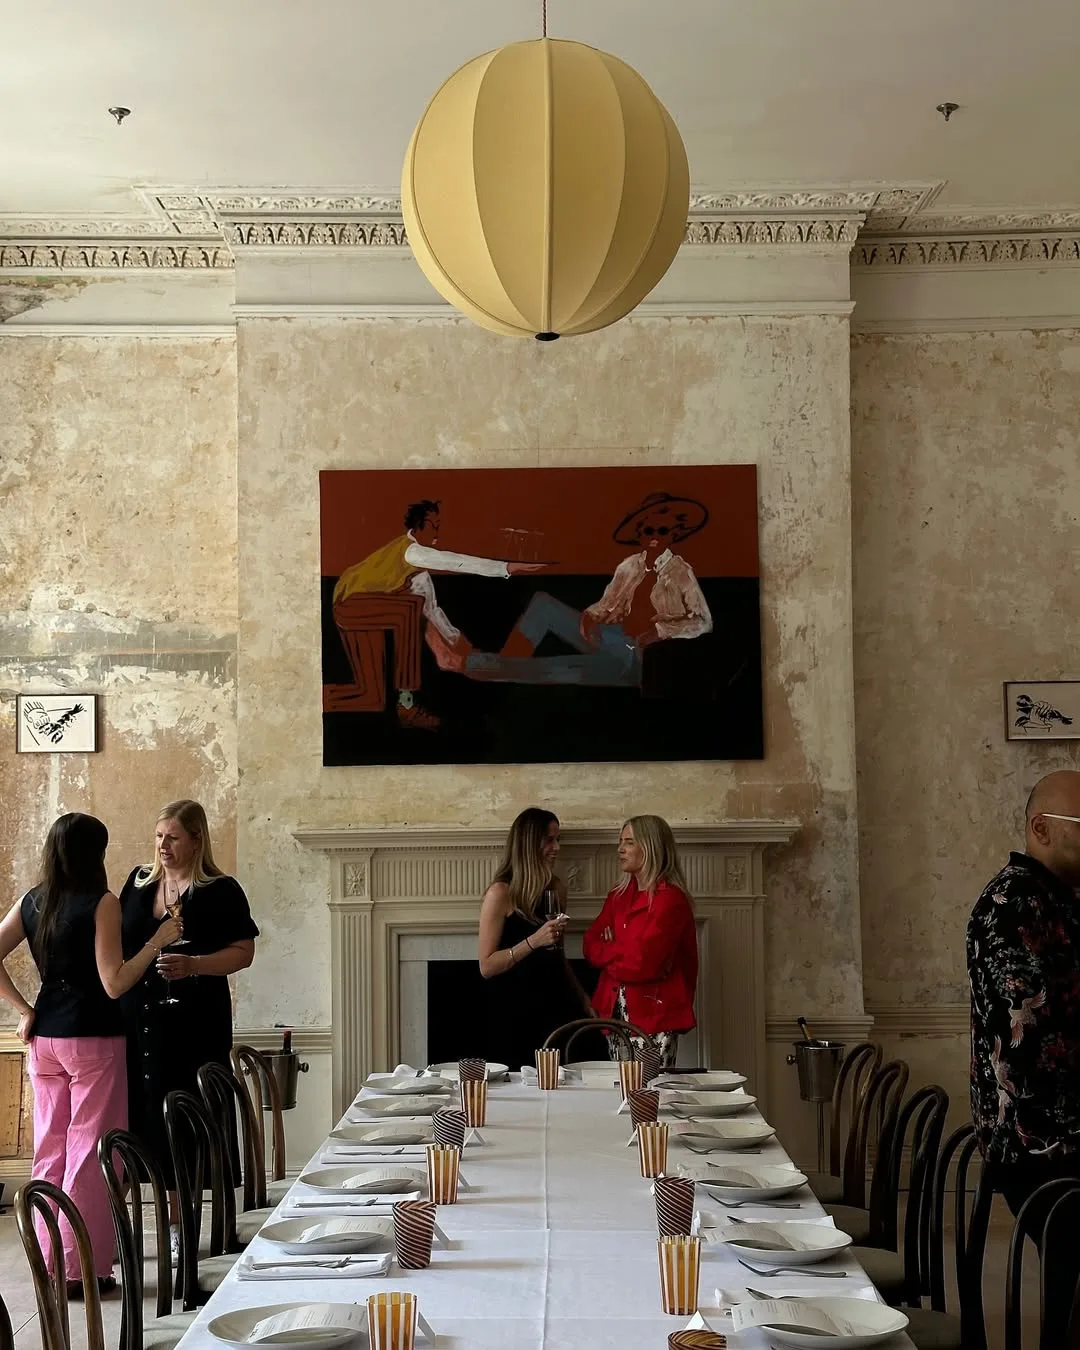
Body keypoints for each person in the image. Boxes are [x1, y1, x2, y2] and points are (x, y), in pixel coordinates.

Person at [0, 813, 180, 1296]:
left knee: (49, 1154)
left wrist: (23, 1008)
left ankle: (48, 1265)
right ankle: (82, 1270)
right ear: (95, 852)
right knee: (89, 1156)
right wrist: (156, 942)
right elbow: (115, 981)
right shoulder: (101, 903)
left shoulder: (33, 900)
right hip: (94, 1040)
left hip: (46, 1040)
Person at [119, 799, 258, 1260]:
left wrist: (195, 965)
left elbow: (243, 953)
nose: (163, 846)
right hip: (142, 1025)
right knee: (148, 1125)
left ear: (197, 840)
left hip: (196, 1026)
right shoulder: (137, 886)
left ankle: (187, 1228)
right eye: (159, 836)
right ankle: (142, 1227)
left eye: (173, 837)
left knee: (190, 1125)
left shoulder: (221, 890)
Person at [968, 769, 1080, 1229]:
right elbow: (1029, 1037)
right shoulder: (1013, 903)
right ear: (1041, 828)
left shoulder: (1060, 899)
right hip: (1041, 1142)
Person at [330, 498, 544, 728]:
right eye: (433, 525)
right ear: (418, 526)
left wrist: (460, 644)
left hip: (364, 609)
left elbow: (432, 610)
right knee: (409, 608)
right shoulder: (413, 553)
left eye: (439, 525)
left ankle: (320, 698)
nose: (438, 531)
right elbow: (456, 562)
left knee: (370, 697)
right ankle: (407, 702)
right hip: (348, 603)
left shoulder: (416, 574)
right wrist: (506, 568)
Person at [464, 492, 712, 688]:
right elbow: (607, 605)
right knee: (542, 604)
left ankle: (476, 664)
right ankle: (504, 665)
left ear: (675, 533)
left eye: (663, 531)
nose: (655, 536)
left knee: (553, 669)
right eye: (649, 530)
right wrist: (590, 617)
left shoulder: (681, 572)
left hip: (636, 655)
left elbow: (703, 621)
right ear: (639, 534)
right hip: (611, 635)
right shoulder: (630, 566)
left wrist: (659, 631)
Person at [477, 808, 593, 1068]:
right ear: (529, 844)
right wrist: (533, 941)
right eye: (549, 840)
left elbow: (558, 954)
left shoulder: (557, 889)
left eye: (558, 839)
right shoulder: (500, 894)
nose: (557, 848)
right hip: (514, 1011)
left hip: (555, 1004)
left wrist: (582, 997)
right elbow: (486, 966)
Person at [583, 815, 698, 1069]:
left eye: (629, 842)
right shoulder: (618, 895)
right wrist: (623, 951)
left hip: (655, 1015)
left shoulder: (671, 901)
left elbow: (643, 965)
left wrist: (610, 953)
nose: (620, 849)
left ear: (650, 847)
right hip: (615, 1013)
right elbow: (590, 945)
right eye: (620, 842)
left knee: (650, 1094)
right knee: (620, 1094)